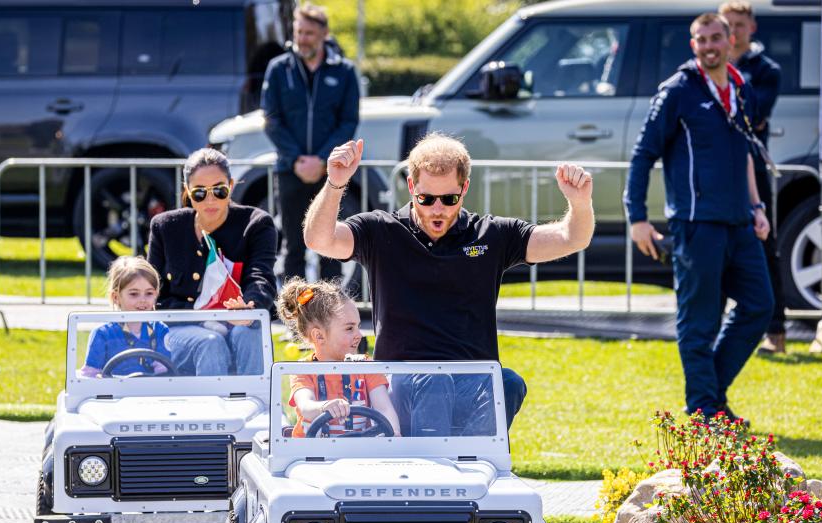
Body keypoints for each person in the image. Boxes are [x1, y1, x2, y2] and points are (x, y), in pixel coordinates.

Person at [302, 132, 594, 434]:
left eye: (449, 199)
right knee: (435, 381)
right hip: (403, 383)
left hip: (472, 379)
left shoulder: (490, 235)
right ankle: (436, 467)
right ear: (411, 186)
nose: (437, 209)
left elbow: (571, 238)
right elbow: (318, 239)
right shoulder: (381, 231)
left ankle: (475, 465)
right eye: (426, 199)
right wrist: (335, 184)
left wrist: (580, 203)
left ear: (464, 188)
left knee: (508, 383)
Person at [625, 12, 773, 422]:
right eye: (701, 40)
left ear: (730, 41)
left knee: (760, 306)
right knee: (700, 321)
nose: (709, 46)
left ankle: (710, 398)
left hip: (740, 222)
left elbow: (745, 151)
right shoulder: (678, 90)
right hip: (695, 224)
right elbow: (643, 155)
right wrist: (636, 217)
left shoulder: (741, 88)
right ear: (693, 45)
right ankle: (706, 410)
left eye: (715, 38)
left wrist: (757, 207)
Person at [147, 148, 277, 376]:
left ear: (232, 186)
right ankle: (213, 409)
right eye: (199, 193)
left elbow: (260, 276)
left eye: (219, 190)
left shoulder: (256, 223)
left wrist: (249, 308)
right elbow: (153, 292)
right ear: (187, 191)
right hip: (180, 326)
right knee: (210, 342)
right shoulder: (165, 226)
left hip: (238, 319)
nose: (210, 199)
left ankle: (258, 405)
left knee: (250, 334)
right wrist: (201, 316)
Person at [261, 3, 360, 283]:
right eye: (299, 32)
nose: (303, 38)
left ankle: (330, 314)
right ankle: (296, 316)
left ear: (324, 34)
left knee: (329, 245)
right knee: (294, 246)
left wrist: (321, 160)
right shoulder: (279, 69)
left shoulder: (344, 71)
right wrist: (296, 159)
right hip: (290, 170)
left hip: (330, 172)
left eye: (309, 33)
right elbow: (270, 118)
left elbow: (348, 121)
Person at [721, 1, 786, 355]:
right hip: (716, 170)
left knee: (764, 243)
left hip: (752, 169)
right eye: (725, 25)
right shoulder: (705, 69)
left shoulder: (766, 70)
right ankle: (715, 330)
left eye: (738, 26)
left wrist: (726, 71)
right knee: (715, 246)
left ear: (752, 28)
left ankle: (776, 329)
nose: (731, 33)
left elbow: (754, 115)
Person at [277, 278, 401, 437]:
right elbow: (306, 406)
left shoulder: (366, 366)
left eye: (358, 326)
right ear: (319, 336)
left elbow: (384, 408)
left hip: (359, 452)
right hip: (311, 455)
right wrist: (324, 407)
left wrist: (394, 433)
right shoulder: (303, 370)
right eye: (349, 328)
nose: (359, 335)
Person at [79, 256, 170, 378]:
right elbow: (90, 377)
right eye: (134, 294)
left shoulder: (160, 330)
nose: (143, 300)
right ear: (116, 297)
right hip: (114, 395)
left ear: (156, 295)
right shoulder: (102, 334)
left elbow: (164, 375)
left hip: (149, 394)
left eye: (149, 293)